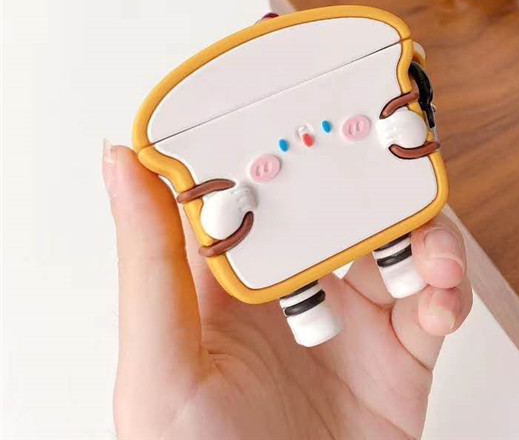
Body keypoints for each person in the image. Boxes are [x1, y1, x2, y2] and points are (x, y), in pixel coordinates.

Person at [103, 142, 472, 439]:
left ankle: (389, 256)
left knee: (400, 235)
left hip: (318, 198)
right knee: (399, 239)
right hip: (276, 235)